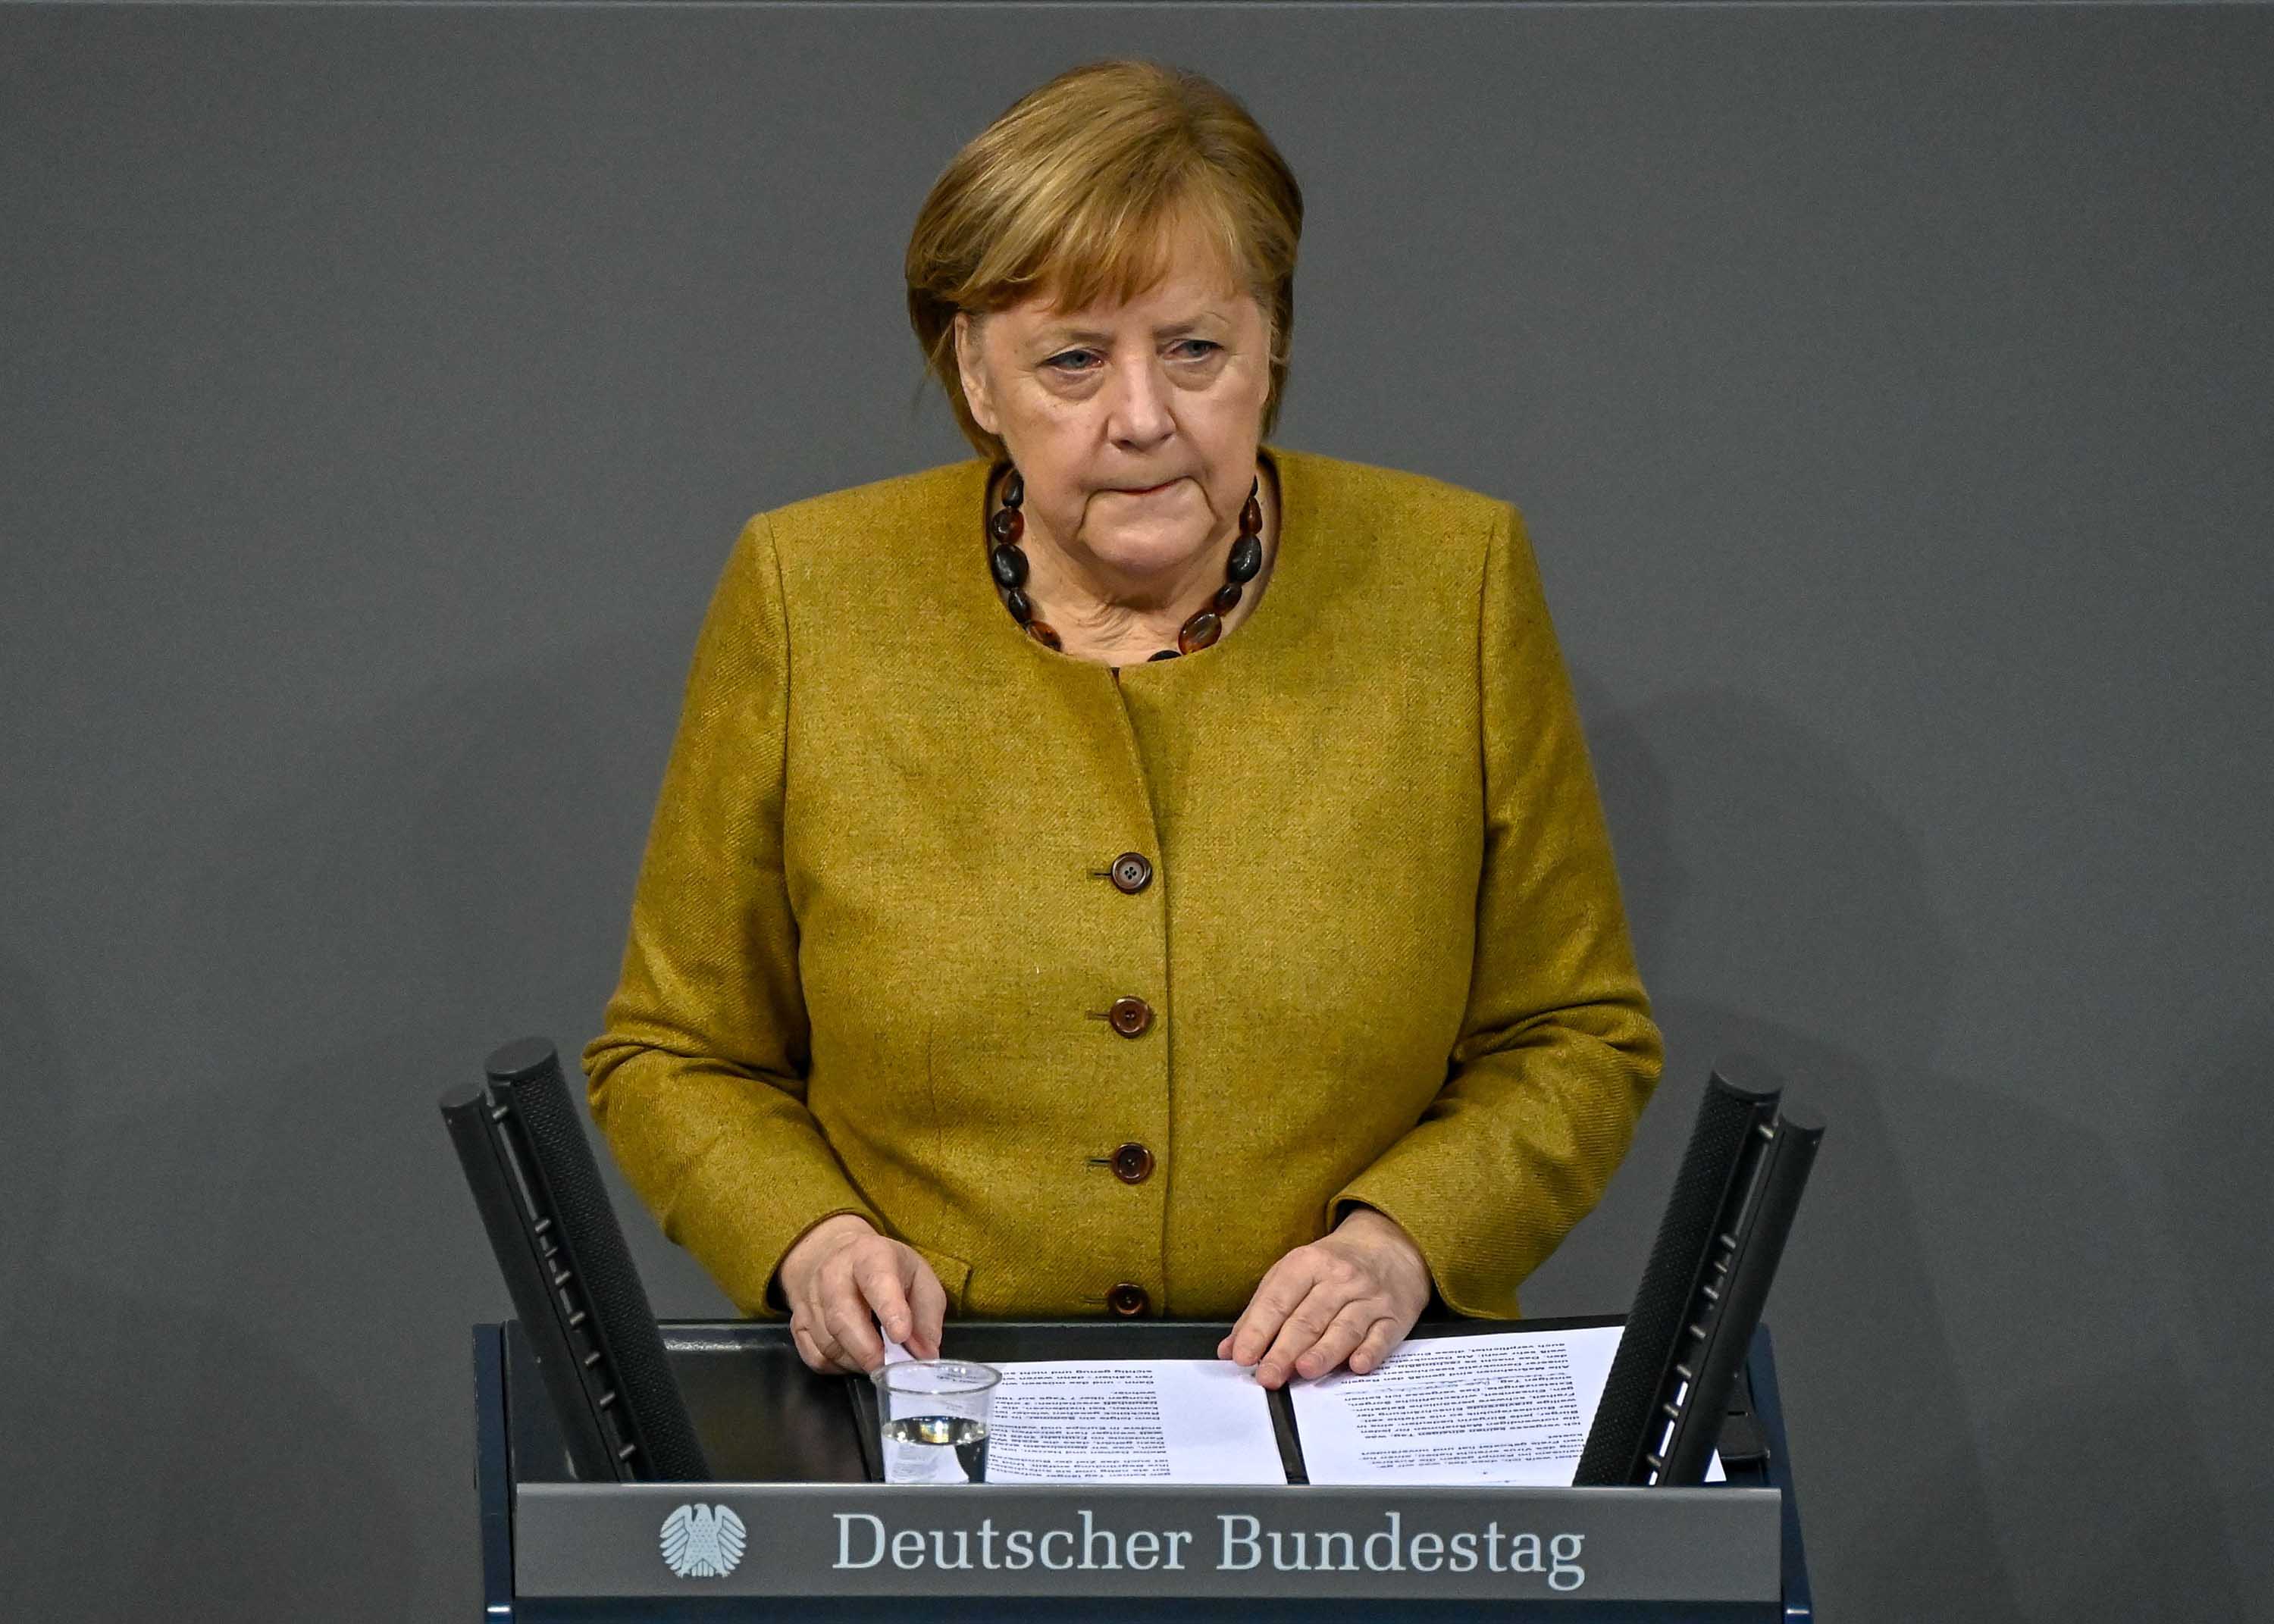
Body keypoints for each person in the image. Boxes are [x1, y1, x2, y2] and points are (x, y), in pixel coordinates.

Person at [582, 58, 1662, 1394]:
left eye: (1196, 349)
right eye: (1074, 360)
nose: (1142, 417)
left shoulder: (1458, 579)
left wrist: (1401, 1241)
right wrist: (812, 1240)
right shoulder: (809, 593)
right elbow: (678, 1054)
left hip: (1341, 1424)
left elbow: (1574, 1036)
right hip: (935, 1418)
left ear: (1272, 344)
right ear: (975, 372)